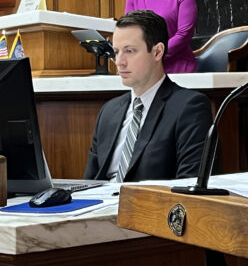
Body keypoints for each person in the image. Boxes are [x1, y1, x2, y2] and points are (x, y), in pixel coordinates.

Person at [84, 10, 211, 181]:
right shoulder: (108, 111)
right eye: (116, 51)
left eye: (129, 51)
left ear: (157, 52)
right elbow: (88, 184)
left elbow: (189, 186)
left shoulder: (189, 107)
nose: (119, 61)